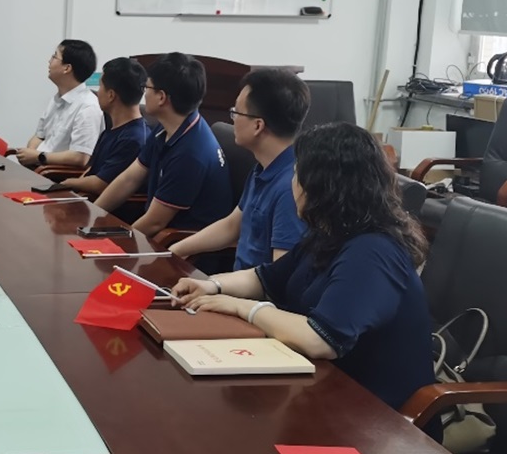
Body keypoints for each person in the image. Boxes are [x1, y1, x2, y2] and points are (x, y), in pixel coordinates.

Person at [173, 122, 436, 425]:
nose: (292, 183)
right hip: (323, 389)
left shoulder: (372, 250)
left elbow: (321, 339)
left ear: (323, 185)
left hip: (377, 419)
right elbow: (264, 278)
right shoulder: (331, 231)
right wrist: (212, 286)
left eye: (298, 174)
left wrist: (242, 308)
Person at [168, 69, 311, 274]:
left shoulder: (291, 189)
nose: (233, 118)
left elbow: (280, 279)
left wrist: (216, 286)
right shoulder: (264, 167)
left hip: (247, 293)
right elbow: (232, 226)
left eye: (236, 112)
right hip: (232, 285)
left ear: (258, 126)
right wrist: (175, 251)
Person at [94, 52, 233, 238]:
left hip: (181, 245)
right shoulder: (167, 127)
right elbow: (130, 178)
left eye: (147, 87)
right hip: (159, 233)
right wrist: (92, 216)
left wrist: (111, 243)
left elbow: (155, 222)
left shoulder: (190, 153)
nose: (144, 94)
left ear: (161, 97)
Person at [58, 57, 147, 198]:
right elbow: (91, 171)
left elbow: (101, 184)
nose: (98, 92)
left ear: (111, 95)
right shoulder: (112, 130)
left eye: (100, 87)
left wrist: (67, 183)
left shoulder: (133, 139)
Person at [8, 40, 103, 170]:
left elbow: (80, 157)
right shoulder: (56, 99)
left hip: (55, 175)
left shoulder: (88, 107)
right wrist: (30, 155)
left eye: (54, 56)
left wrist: (38, 157)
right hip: (38, 169)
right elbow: (39, 136)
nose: (49, 61)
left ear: (67, 68)